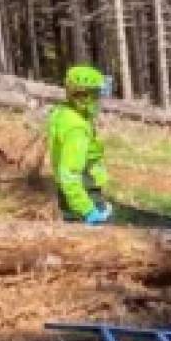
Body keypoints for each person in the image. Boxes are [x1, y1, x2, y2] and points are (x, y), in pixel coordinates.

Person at [49, 65, 113, 225]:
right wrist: (88, 210)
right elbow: (69, 173)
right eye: (97, 95)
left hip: (75, 194)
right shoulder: (76, 129)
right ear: (85, 97)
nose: (100, 101)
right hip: (84, 194)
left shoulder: (65, 113)